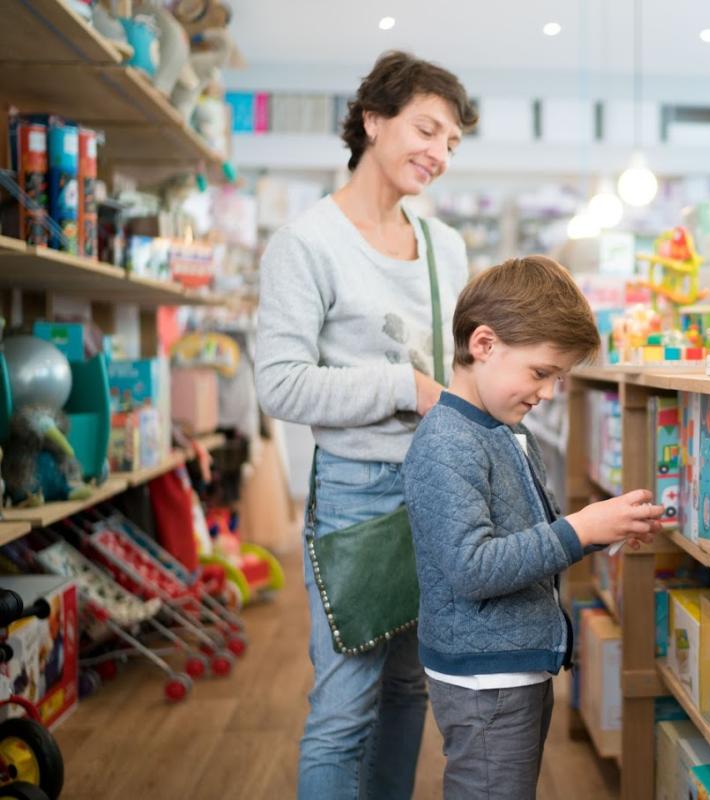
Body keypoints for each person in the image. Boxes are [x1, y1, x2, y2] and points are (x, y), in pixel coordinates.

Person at [254, 50, 477, 800]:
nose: (439, 154)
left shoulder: (445, 246)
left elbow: (457, 367)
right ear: (373, 120)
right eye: (427, 130)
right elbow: (279, 383)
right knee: (343, 709)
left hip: (436, 488)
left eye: (452, 142)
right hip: (357, 492)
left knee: (411, 689)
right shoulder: (306, 244)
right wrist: (402, 388)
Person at [404, 256, 665, 799]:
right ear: (484, 344)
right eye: (541, 372)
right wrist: (579, 530)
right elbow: (472, 568)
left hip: (508, 662)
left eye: (557, 379)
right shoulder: (447, 441)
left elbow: (528, 539)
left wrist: (601, 529)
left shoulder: (500, 429)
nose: (547, 393)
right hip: (486, 676)